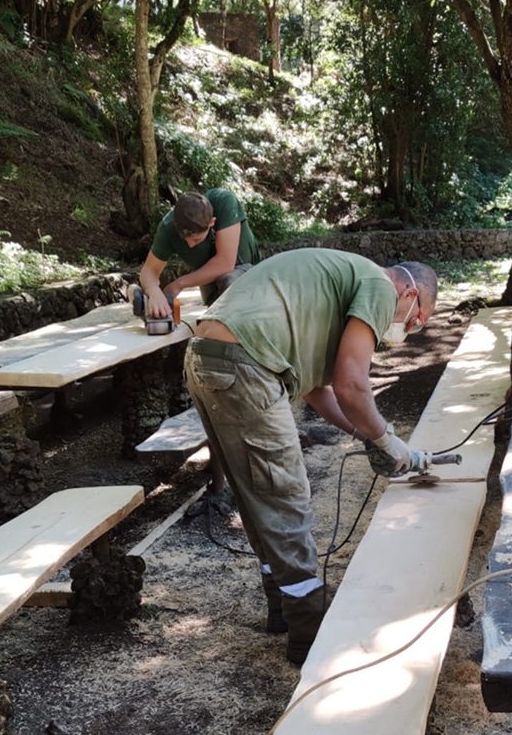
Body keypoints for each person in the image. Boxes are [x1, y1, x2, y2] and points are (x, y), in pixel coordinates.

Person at [182, 247, 438, 665]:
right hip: (247, 363)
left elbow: (319, 390)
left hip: (207, 356)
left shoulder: (331, 290)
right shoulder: (378, 284)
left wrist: (365, 435)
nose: (411, 326)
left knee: (256, 493)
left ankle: (282, 609)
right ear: (409, 292)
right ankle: (310, 631)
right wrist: (389, 441)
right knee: (284, 493)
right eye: (417, 317)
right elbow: (352, 385)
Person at [138, 188, 261, 320]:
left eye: (196, 239)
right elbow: (149, 270)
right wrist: (153, 291)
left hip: (251, 276)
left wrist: (178, 284)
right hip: (212, 288)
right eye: (185, 240)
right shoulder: (168, 227)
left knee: (228, 279)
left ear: (211, 223)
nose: (190, 244)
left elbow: (225, 264)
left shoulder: (224, 202)